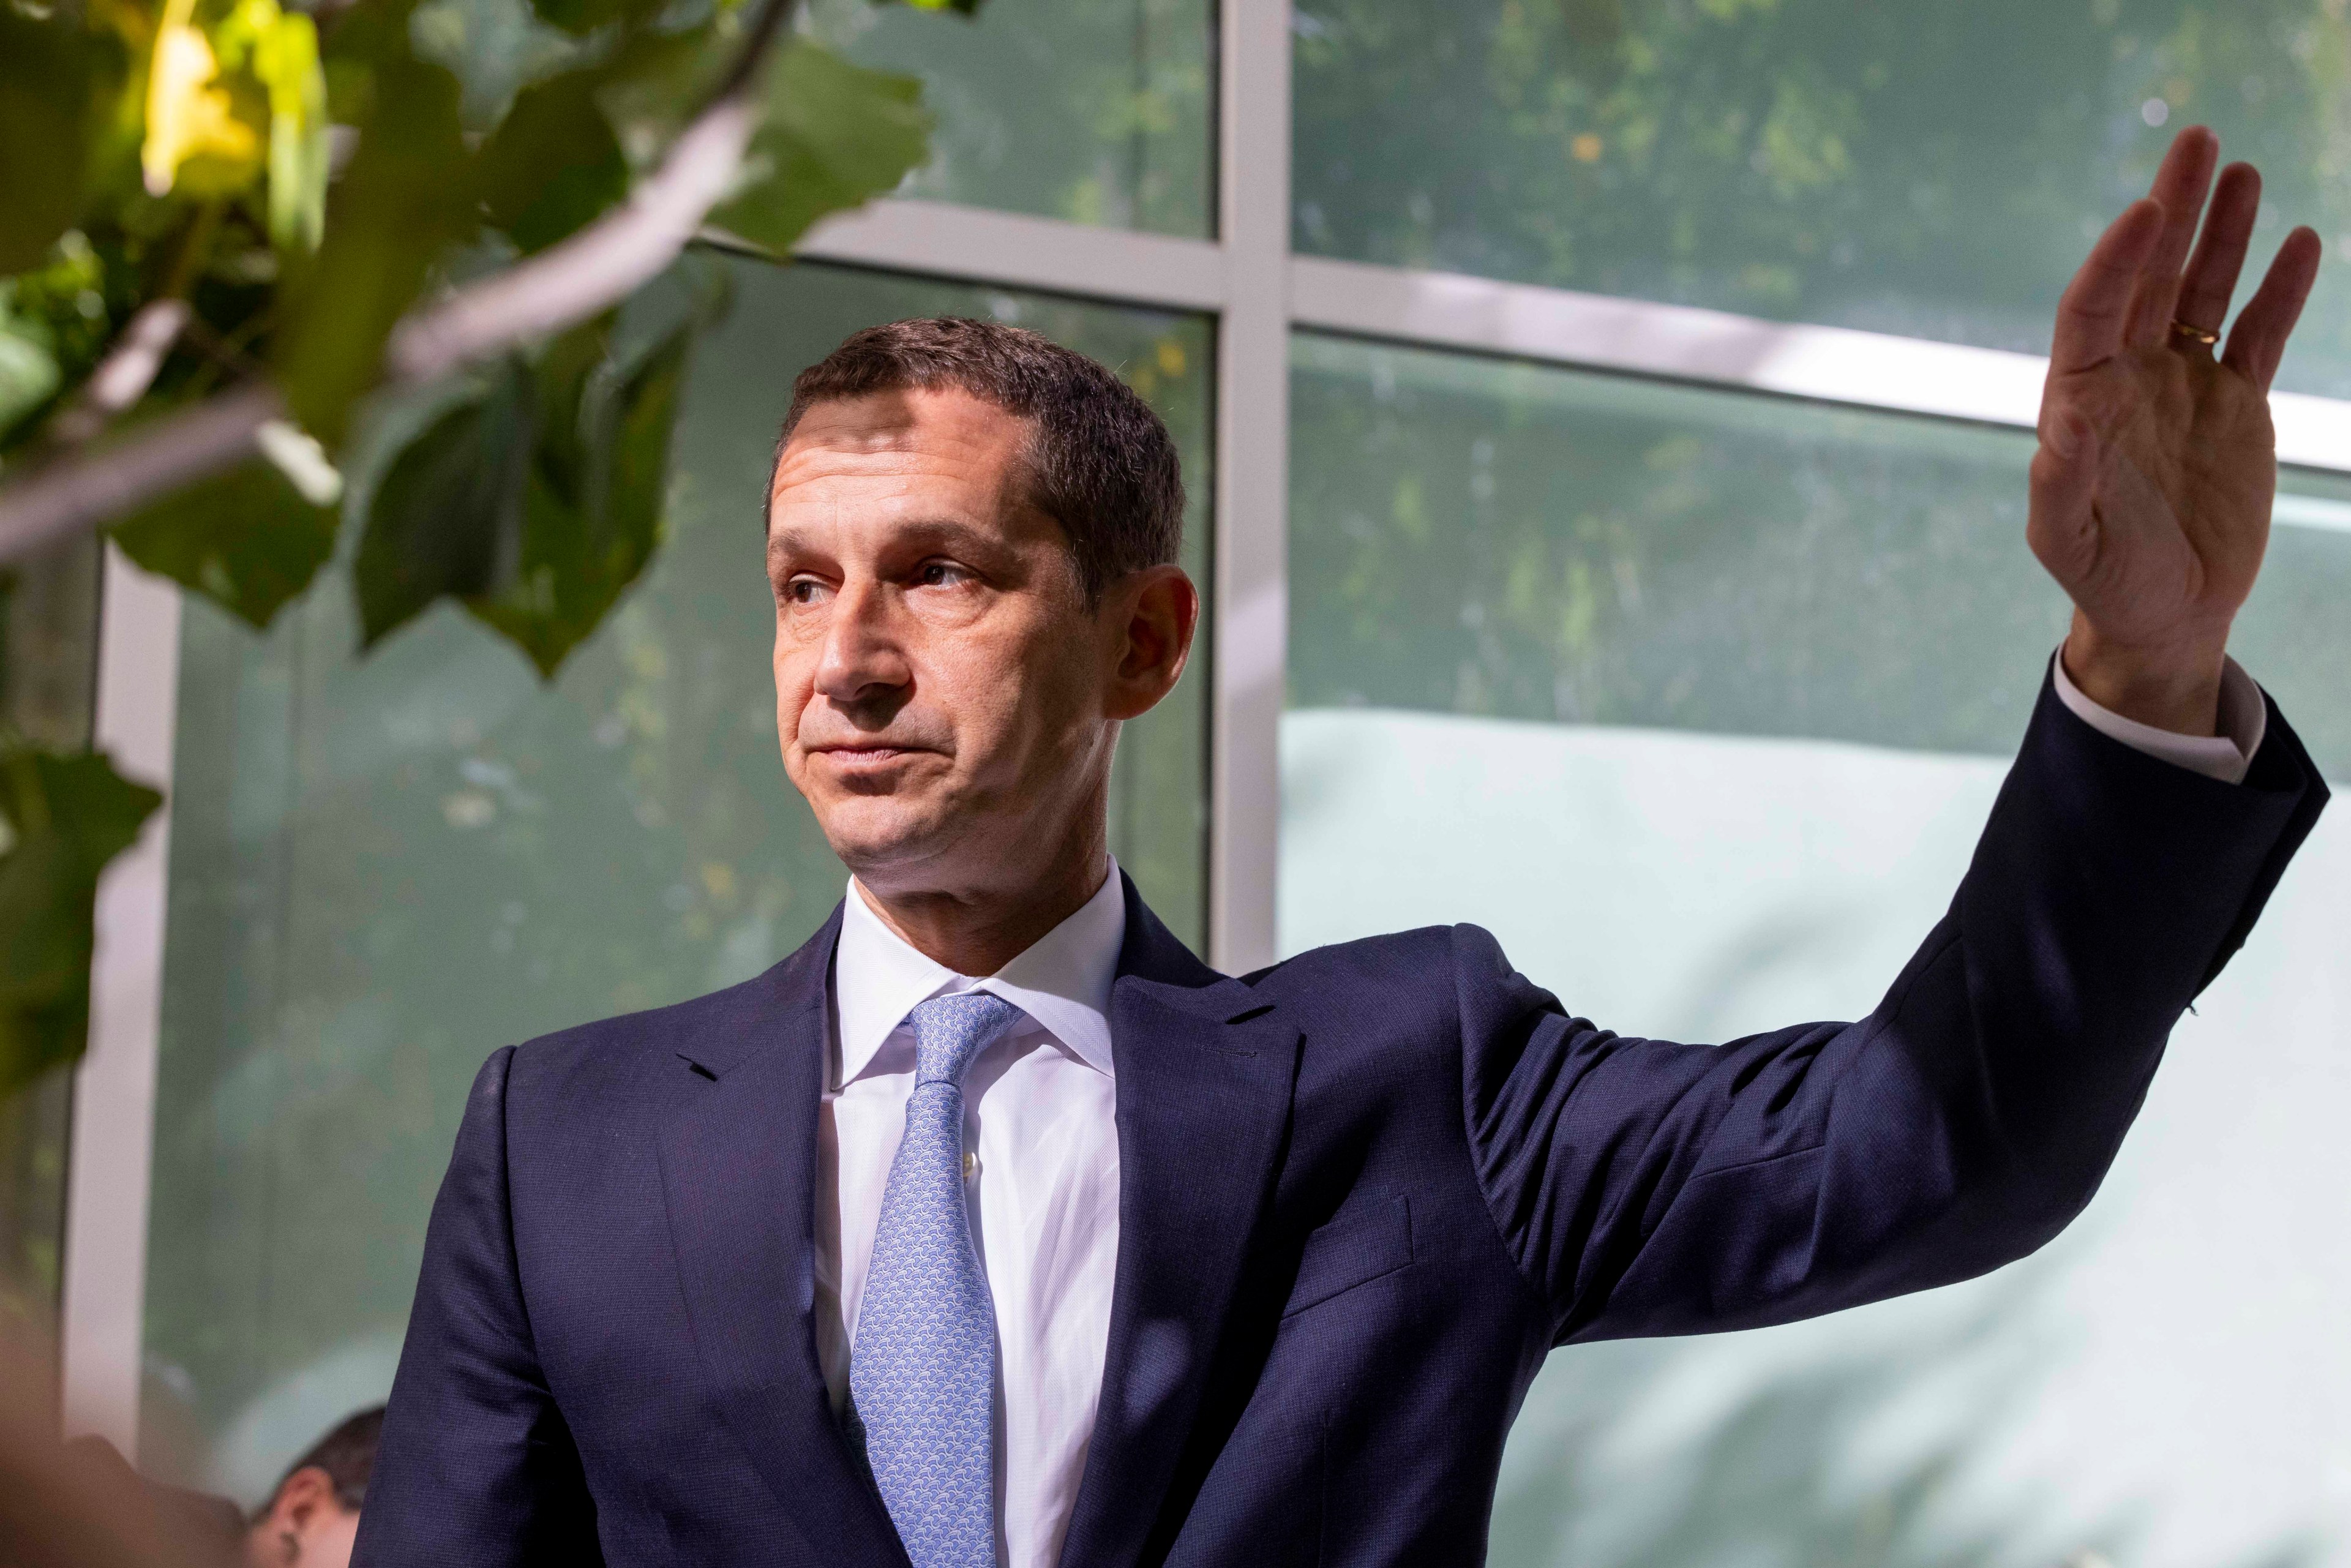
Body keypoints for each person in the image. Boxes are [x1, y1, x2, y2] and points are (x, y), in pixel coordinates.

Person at [353, 126, 2328, 1567]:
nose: (847, 660)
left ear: (1144, 639)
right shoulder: (563, 1145)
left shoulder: (1420, 1081)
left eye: (937, 572)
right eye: (800, 585)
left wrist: (2141, 665)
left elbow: (1928, 1148)